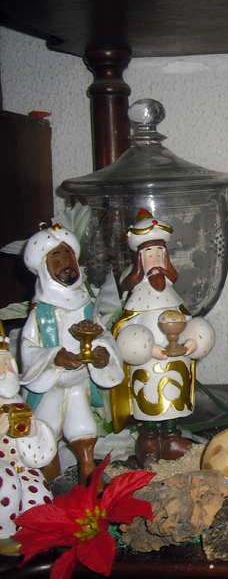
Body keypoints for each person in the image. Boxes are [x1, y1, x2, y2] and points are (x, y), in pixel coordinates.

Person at [19, 223, 123, 485]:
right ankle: (45, 483)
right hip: (51, 387)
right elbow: (28, 349)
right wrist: (55, 357)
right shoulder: (41, 312)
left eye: (68, 255)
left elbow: (102, 334)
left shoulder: (85, 306)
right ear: (44, 266)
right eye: (57, 257)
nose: (66, 263)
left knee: (84, 431)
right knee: (46, 434)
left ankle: (89, 475)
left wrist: (103, 353)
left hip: (77, 384)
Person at [111, 209, 215, 468]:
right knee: (149, 399)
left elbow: (187, 322)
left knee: (172, 398)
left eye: (160, 253)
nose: (156, 260)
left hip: (174, 363)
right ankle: (148, 440)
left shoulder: (171, 295)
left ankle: (170, 438)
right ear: (140, 260)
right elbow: (126, 330)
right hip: (147, 365)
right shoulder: (136, 301)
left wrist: (193, 341)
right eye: (150, 254)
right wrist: (146, 349)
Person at [0, 321, 58, 555]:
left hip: (20, 467)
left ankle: (37, 531)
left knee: (37, 493)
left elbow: (37, 455)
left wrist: (32, 430)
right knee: (5, 485)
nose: (3, 371)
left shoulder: (16, 401)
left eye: (5, 363)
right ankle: (4, 535)